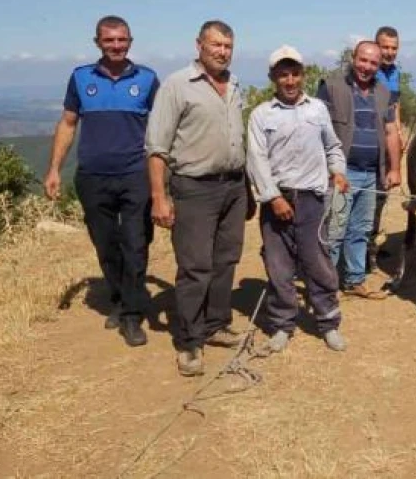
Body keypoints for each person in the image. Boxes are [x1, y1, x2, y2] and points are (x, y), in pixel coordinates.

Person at [44, 15, 159, 347]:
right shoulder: (81, 78)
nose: (116, 46)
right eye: (109, 40)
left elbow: (163, 127)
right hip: (92, 176)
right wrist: (54, 169)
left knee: (136, 243)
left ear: (130, 42)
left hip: (135, 174)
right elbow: (68, 123)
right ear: (97, 42)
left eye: (122, 40)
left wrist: (162, 179)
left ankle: (132, 317)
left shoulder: (148, 79)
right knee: (106, 244)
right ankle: (122, 297)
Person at [145, 20, 248, 377]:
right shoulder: (177, 85)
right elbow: (157, 147)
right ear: (199, 45)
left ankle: (216, 323)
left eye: (227, 46)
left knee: (226, 260)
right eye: (215, 44)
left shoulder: (234, 84)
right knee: (195, 266)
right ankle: (189, 341)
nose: (222, 51)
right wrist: (159, 197)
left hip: (233, 186)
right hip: (194, 188)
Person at [246, 45, 349, 353]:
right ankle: (282, 325)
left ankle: (328, 323)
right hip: (276, 201)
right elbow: (256, 159)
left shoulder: (317, 109)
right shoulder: (261, 115)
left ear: (303, 76)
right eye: (282, 75)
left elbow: (333, 147)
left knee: (317, 263)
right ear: (272, 78)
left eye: (294, 74)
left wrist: (338, 171)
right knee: (279, 266)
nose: (289, 81)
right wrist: (273, 197)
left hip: (312, 200)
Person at [317, 40, 402, 299]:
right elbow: (316, 128)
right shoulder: (331, 87)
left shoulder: (383, 92)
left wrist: (395, 168)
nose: (367, 67)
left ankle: (354, 280)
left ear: (379, 66)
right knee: (334, 230)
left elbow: (390, 132)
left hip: (371, 173)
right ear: (353, 58)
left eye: (373, 63)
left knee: (361, 229)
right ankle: (326, 284)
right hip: (342, 172)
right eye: (363, 60)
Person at [369, 26, 404, 263]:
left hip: (388, 141)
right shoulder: (369, 70)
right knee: (366, 195)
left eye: (394, 48)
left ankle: (371, 243)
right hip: (370, 142)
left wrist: (399, 133)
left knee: (381, 195)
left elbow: (395, 105)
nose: (390, 52)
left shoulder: (395, 72)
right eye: (385, 47)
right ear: (376, 46)